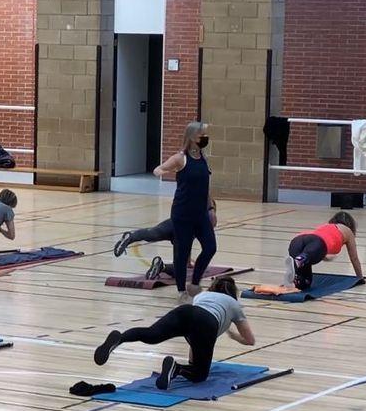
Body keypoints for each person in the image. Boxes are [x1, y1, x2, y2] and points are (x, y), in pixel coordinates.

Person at [94, 276, 255, 389]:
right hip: (207, 323)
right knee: (199, 375)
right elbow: (250, 340)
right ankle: (176, 368)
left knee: (151, 334)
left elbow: (194, 337)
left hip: (186, 311)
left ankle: (120, 338)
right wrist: (234, 336)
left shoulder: (203, 295)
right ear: (233, 292)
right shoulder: (234, 304)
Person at [153, 122, 215, 303]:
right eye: (201, 135)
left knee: (210, 247)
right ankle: (181, 291)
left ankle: (194, 284)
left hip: (201, 213)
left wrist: (211, 208)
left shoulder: (204, 157)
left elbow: (206, 187)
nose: (204, 138)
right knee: (183, 252)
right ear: (191, 137)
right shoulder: (180, 158)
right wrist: (164, 171)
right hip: (182, 214)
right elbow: (159, 169)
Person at [114, 200, 218, 280]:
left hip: (172, 223)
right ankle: (161, 266)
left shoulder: (193, 205)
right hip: (182, 236)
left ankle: (131, 237)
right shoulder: (210, 217)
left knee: (152, 233)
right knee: (180, 270)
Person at [283, 212, 362, 290]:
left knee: (305, 283)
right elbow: (354, 258)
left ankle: (295, 278)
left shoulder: (326, 226)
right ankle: (299, 260)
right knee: (306, 256)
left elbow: (318, 247)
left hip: (297, 241)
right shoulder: (347, 230)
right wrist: (360, 278)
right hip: (315, 243)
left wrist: (323, 255)